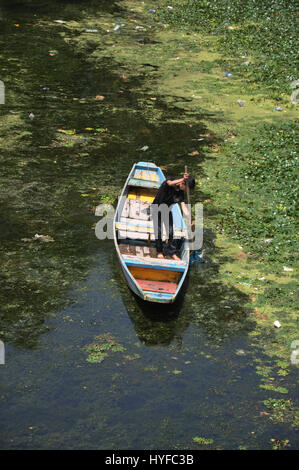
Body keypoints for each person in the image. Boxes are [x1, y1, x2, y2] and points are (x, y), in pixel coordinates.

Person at [151, 173, 195, 261]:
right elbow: (169, 183)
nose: (186, 190)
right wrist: (182, 179)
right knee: (159, 231)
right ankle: (159, 252)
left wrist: (189, 219)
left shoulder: (180, 193)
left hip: (167, 210)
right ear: (182, 183)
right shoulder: (171, 180)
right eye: (186, 188)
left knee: (171, 232)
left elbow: (183, 207)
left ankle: (172, 253)